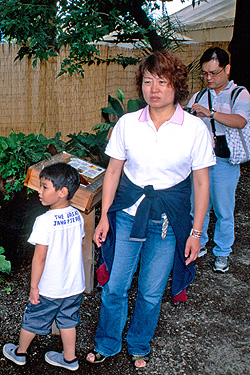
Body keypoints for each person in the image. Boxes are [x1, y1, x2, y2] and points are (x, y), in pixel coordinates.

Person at [86, 50, 216, 369]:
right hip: (129, 216)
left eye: (162, 81)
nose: (153, 89)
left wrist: (197, 232)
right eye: (147, 81)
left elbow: (201, 184)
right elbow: (114, 171)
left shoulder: (195, 129)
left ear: (177, 86)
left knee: (150, 291)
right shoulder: (128, 124)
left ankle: (139, 343)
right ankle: (108, 342)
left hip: (168, 223)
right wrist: (104, 217)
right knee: (115, 286)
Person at [3, 162, 85, 372]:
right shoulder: (77, 216)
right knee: (68, 321)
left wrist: (33, 287)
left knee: (33, 318)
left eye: (45, 187)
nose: (39, 191)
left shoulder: (44, 220)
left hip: (50, 287)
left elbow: (39, 258)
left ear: (62, 192)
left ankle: (20, 353)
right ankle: (69, 359)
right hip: (73, 286)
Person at [188, 47, 250, 273]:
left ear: (227, 69)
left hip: (225, 161)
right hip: (202, 161)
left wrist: (210, 114)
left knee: (224, 209)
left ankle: (223, 251)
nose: (209, 78)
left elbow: (240, 121)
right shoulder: (199, 96)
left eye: (214, 73)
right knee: (198, 206)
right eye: (205, 74)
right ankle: (199, 243)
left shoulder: (239, 93)